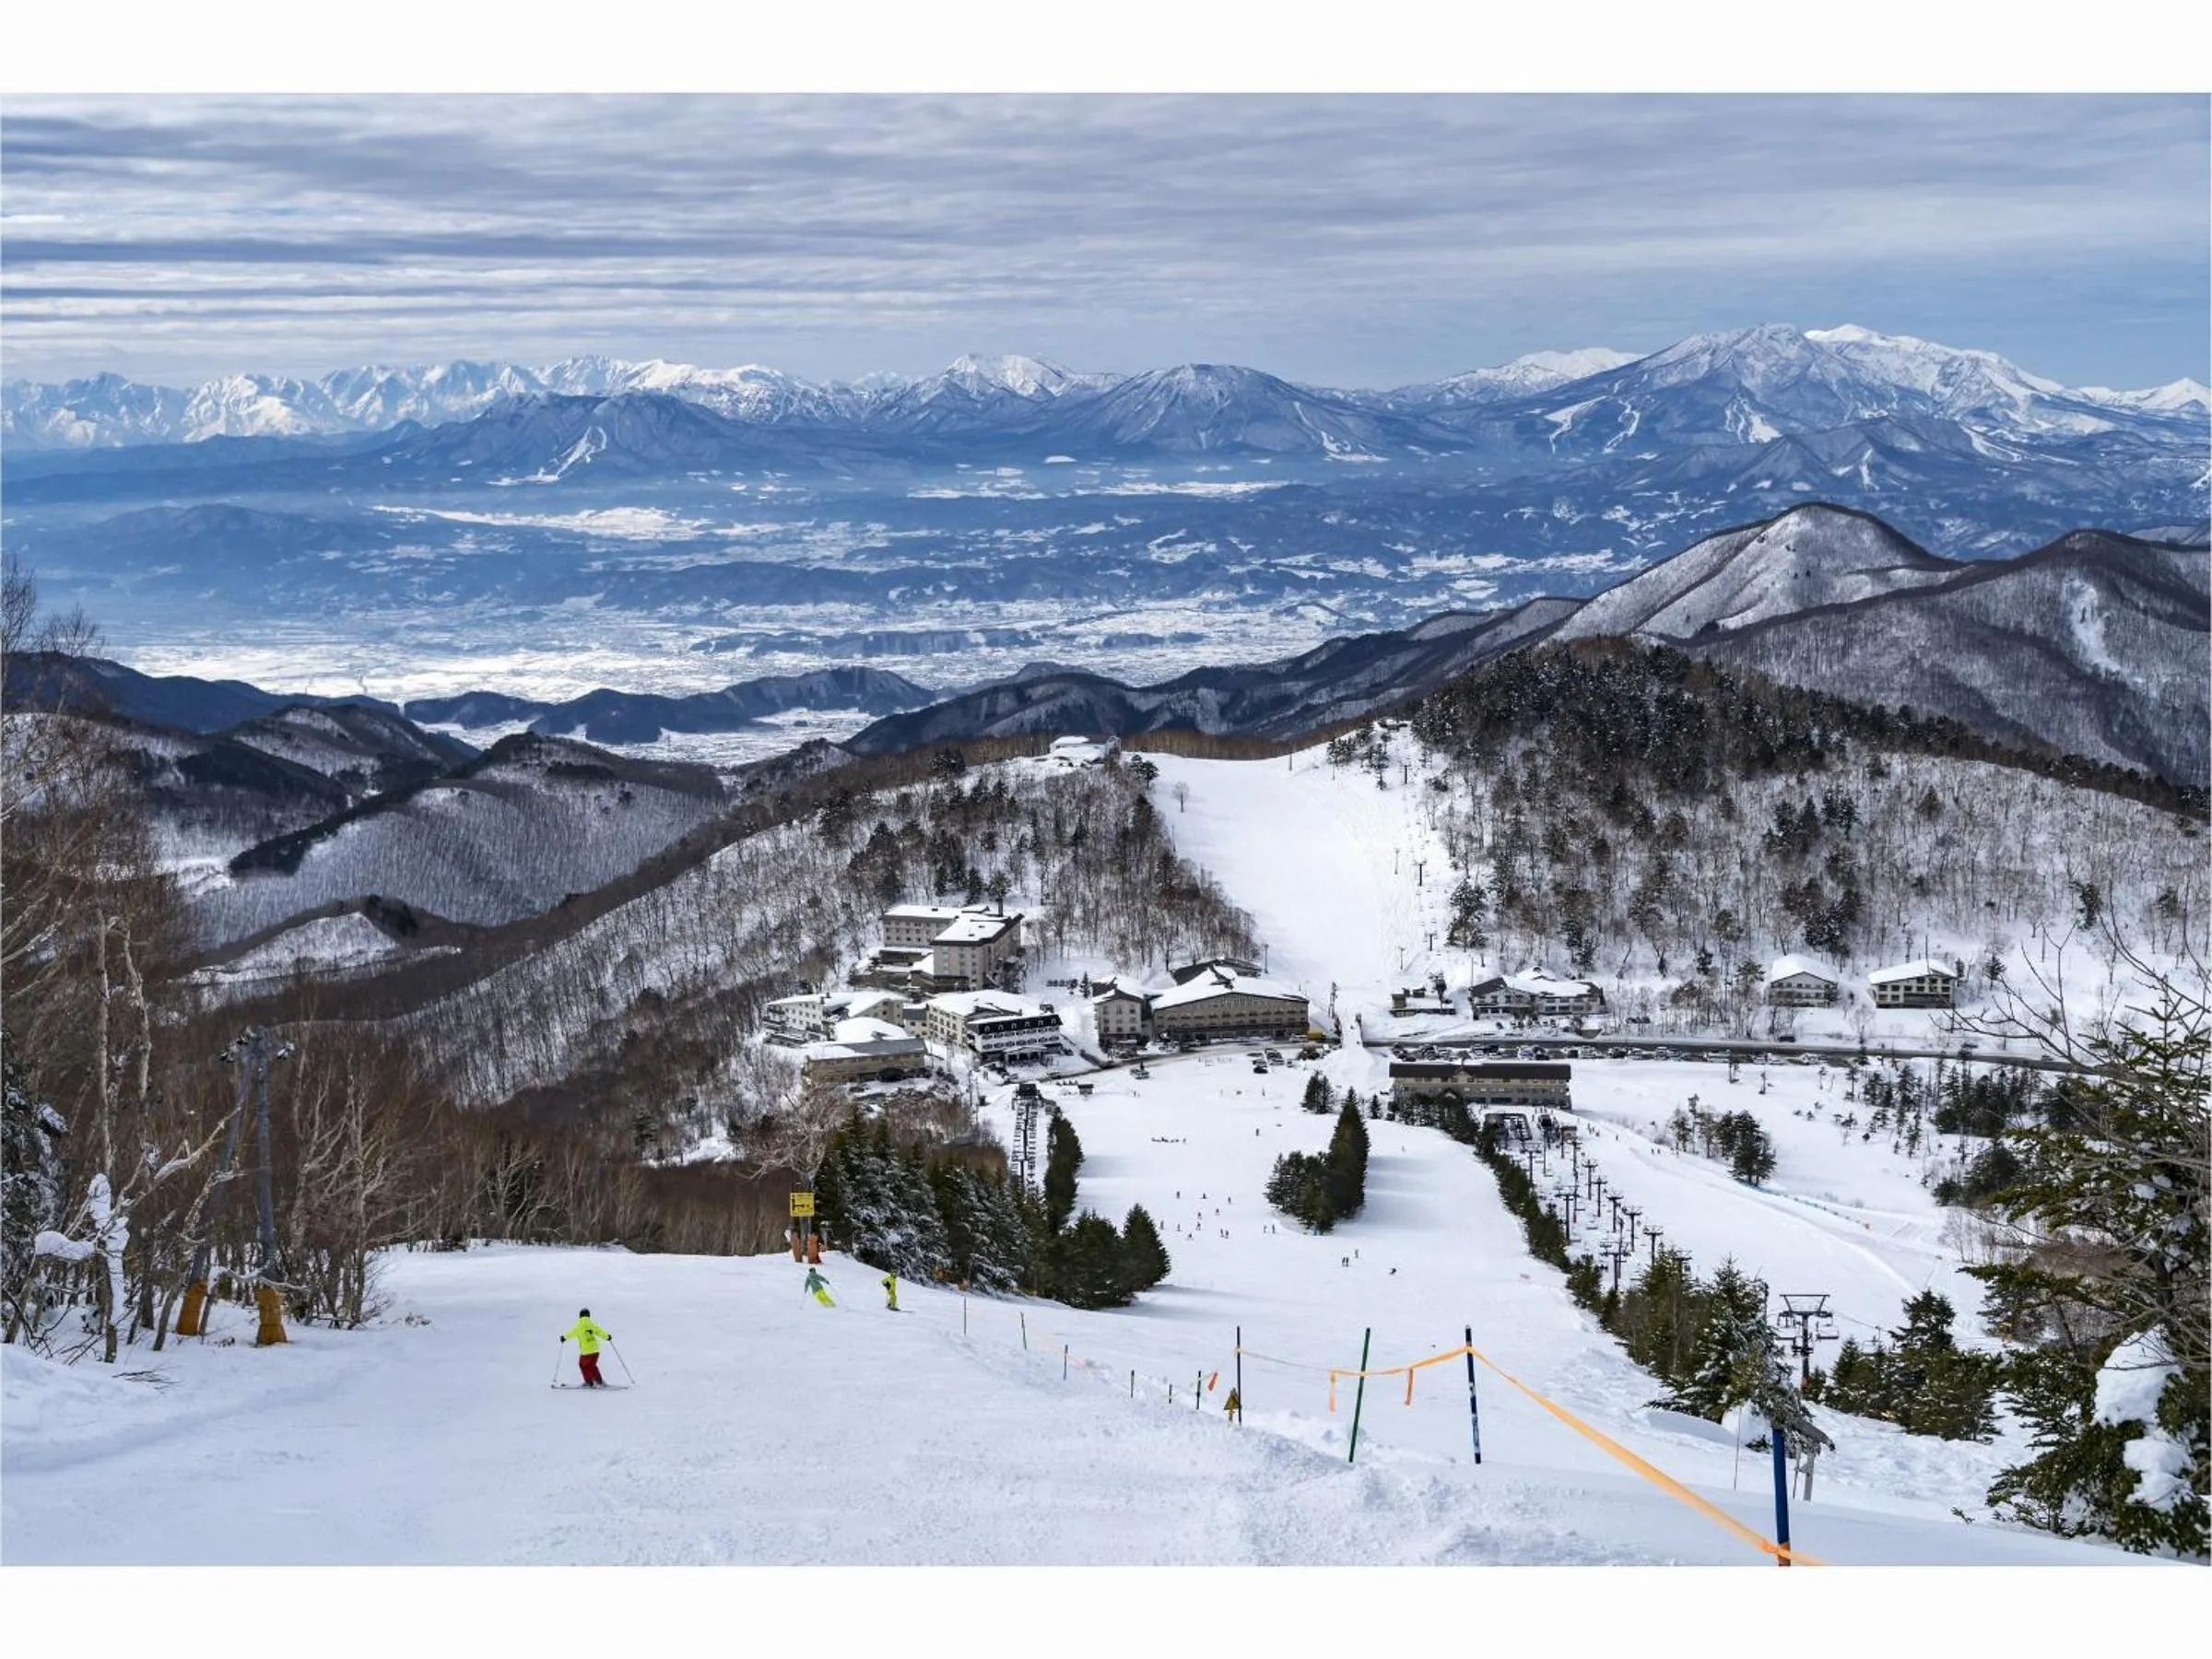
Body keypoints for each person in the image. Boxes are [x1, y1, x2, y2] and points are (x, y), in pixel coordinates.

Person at [560, 1309, 613, 1387]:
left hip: (586, 1352)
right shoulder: (592, 1325)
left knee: (583, 1365)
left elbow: (571, 1333)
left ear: (580, 1316)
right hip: (595, 1351)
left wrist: (564, 1338)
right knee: (592, 1366)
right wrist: (607, 1337)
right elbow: (600, 1331)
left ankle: (589, 1382)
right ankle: (599, 1381)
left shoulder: (578, 1326)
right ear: (589, 1316)